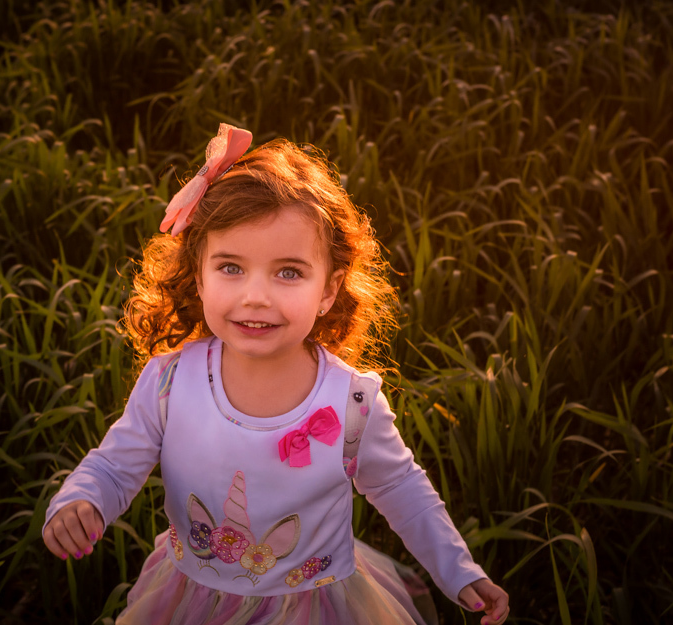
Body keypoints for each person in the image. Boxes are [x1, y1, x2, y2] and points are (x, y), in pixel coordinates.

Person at [42, 124, 511, 624]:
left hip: (317, 605)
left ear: (328, 290)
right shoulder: (170, 383)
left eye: (288, 272)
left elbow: (402, 491)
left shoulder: (350, 404)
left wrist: (459, 572)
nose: (256, 296)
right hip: (193, 599)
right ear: (197, 273)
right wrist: (81, 499)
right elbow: (116, 466)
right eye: (231, 268)